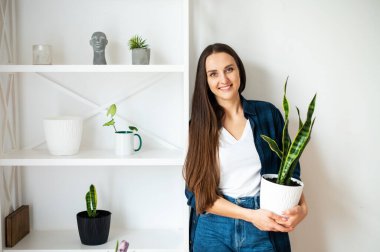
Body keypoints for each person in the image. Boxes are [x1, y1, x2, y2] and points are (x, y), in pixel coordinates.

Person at [183, 43, 308, 252]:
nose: (223, 80)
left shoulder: (268, 114)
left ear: (239, 70)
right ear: (206, 81)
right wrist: (250, 215)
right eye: (213, 74)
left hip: (264, 221)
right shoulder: (197, 127)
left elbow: (289, 170)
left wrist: (302, 207)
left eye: (229, 69)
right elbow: (197, 195)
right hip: (214, 226)